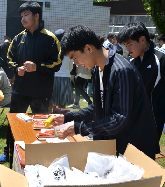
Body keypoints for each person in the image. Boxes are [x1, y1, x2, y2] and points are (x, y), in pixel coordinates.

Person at [52, 25, 159, 160]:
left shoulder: (121, 71)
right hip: (115, 144)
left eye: (75, 58)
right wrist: (68, 117)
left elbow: (119, 119)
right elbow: (98, 106)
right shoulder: (97, 69)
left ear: (88, 48)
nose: (76, 64)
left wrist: (80, 128)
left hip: (134, 147)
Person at [0, 1, 61, 163]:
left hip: (41, 93)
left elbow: (57, 63)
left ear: (36, 16)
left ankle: (41, 155)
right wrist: (16, 68)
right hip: (20, 91)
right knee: (14, 124)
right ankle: (9, 152)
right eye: (21, 16)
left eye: (26, 15)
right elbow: (10, 58)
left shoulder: (50, 38)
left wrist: (37, 67)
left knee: (42, 126)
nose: (22, 19)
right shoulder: (18, 38)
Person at [118, 22, 165, 144]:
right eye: (125, 45)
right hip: (132, 119)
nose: (127, 49)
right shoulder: (130, 61)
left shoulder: (160, 59)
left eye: (129, 44)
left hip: (154, 119)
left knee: (146, 157)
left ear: (142, 40)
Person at [48, 29, 73, 112]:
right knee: (62, 104)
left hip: (51, 78)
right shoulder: (68, 51)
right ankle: (61, 122)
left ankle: (47, 121)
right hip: (64, 78)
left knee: (49, 102)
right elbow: (70, 68)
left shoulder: (50, 50)